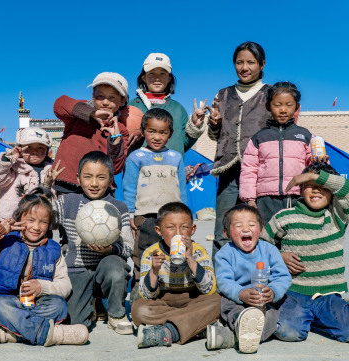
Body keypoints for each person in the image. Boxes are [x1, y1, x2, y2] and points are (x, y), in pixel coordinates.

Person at [262, 162, 349, 343]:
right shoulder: (284, 216)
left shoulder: (337, 216)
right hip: (293, 292)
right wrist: (278, 256)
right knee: (289, 333)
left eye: (322, 187)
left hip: (327, 295)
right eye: (309, 186)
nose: (316, 190)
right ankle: (308, 318)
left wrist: (312, 176)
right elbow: (262, 245)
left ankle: (346, 309)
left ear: (332, 192)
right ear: (300, 190)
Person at [0, 189, 88, 346]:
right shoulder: (7, 242)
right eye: (31, 220)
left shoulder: (53, 249)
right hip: (7, 302)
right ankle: (45, 333)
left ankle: (10, 334)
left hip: (37, 304)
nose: (36, 227)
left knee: (59, 306)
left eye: (43, 222)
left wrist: (42, 287)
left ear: (49, 224)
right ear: (19, 218)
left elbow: (65, 286)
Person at [53, 151, 134, 334]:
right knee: (75, 323)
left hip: (106, 267)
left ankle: (116, 314)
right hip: (76, 269)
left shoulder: (119, 207)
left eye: (101, 177)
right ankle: (90, 305)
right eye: (88, 177)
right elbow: (41, 214)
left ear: (111, 179)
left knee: (115, 266)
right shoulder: (67, 202)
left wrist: (110, 249)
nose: (94, 183)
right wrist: (45, 187)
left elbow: (129, 247)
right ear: (78, 178)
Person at [207, 41, 272, 257]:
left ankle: (262, 278)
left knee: (260, 227)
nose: (244, 67)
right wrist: (214, 123)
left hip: (260, 171)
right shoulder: (224, 94)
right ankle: (223, 282)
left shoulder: (270, 94)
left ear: (262, 64)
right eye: (239, 62)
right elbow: (214, 137)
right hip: (228, 170)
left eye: (250, 62)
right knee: (223, 229)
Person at [132, 202, 219, 348]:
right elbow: (147, 295)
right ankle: (195, 325)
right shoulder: (151, 253)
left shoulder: (198, 251)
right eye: (170, 227)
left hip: (192, 298)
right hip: (163, 300)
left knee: (216, 301)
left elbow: (209, 289)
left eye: (184, 227)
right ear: (159, 231)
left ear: (193, 230)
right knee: (138, 309)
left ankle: (169, 331)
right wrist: (154, 270)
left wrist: (191, 259)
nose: (178, 233)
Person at [122, 108, 188, 299]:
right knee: (143, 254)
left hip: (173, 217)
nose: (157, 137)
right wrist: (132, 215)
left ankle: (171, 288)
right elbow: (130, 188)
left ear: (171, 134)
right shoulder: (136, 158)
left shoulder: (176, 157)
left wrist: (185, 214)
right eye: (152, 131)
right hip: (146, 215)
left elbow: (181, 187)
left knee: (173, 252)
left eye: (163, 132)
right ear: (143, 131)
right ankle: (139, 289)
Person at [207, 204, 291, 353]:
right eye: (238, 226)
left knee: (273, 313)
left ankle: (238, 336)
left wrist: (273, 292)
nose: (246, 229)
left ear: (261, 229)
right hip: (236, 298)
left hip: (265, 300)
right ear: (226, 233)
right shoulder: (224, 254)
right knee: (228, 306)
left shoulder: (270, 250)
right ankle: (240, 323)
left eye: (251, 225)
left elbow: (283, 277)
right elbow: (224, 281)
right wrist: (240, 294)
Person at [239, 82, 315, 225]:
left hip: (296, 197)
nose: (283, 110)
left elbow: (313, 166)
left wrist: (319, 162)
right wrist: (250, 199)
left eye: (289, 105)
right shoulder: (259, 138)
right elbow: (249, 169)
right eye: (277, 105)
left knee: (294, 237)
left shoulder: (305, 135)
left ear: (297, 107)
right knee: (267, 238)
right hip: (266, 200)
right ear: (268, 106)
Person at [52, 72, 129, 194]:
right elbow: (59, 104)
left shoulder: (120, 130)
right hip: (67, 182)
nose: (105, 102)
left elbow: (116, 168)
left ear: (122, 101)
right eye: (100, 96)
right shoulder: (79, 112)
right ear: (93, 96)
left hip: (99, 189)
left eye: (112, 98)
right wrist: (91, 113)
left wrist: (115, 139)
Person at [127, 52, 208, 156]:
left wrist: (195, 126)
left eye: (162, 74)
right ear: (144, 77)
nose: (157, 78)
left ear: (169, 78)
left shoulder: (178, 109)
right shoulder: (131, 107)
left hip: (171, 170)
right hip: (139, 171)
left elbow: (183, 145)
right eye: (152, 73)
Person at [0, 127, 57, 221]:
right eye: (29, 147)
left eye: (40, 147)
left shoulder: (52, 171)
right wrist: (8, 159)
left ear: (47, 151)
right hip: (14, 223)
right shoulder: (13, 169)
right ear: (20, 148)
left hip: (42, 223)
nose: (35, 151)